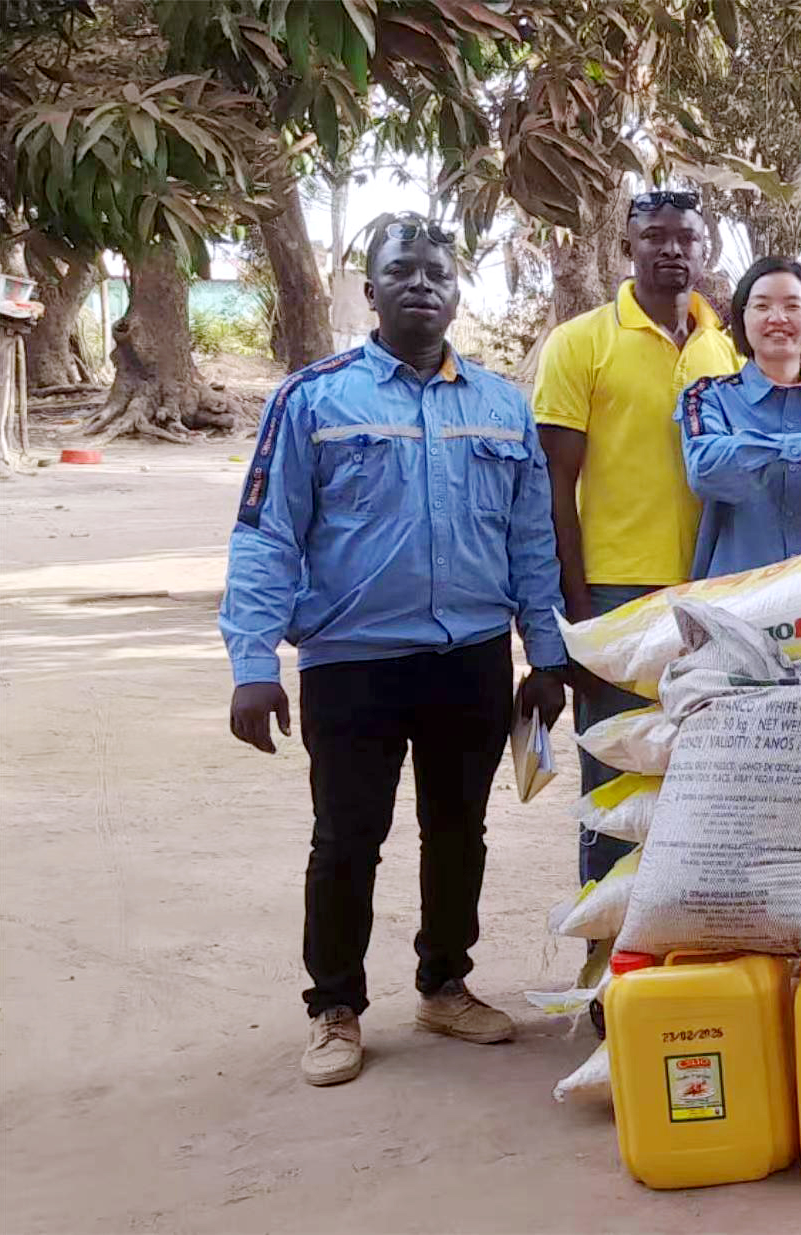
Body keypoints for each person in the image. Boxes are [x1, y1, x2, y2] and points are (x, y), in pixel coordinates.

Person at [221, 210, 569, 1087]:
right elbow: (266, 536)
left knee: (459, 830)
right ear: (369, 290)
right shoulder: (313, 398)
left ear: (458, 294)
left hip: (472, 657)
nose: (421, 283)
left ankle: (444, 984)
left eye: (438, 273)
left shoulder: (500, 405)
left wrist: (547, 652)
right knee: (347, 837)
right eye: (401, 270)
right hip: (352, 658)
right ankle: (334, 1006)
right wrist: (254, 664)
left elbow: (532, 539)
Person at [532, 190, 740, 905]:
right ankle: (606, 963)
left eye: (686, 236)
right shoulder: (580, 342)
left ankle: (683, 952)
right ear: (627, 248)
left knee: (703, 781)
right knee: (618, 785)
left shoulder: (724, 346)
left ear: (704, 248)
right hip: (616, 598)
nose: (671, 249)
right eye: (654, 236)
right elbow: (555, 486)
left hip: (712, 593)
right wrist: (579, 612)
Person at [680, 257, 801, 578]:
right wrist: (800, 445)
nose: (777, 318)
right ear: (742, 317)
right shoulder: (707, 396)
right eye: (762, 306)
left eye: (793, 306)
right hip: (739, 600)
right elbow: (705, 471)